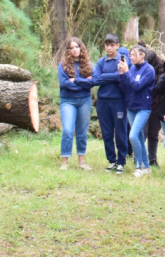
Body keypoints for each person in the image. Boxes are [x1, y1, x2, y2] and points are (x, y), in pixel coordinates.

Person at [94, 34, 131, 173]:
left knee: (120, 132)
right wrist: (113, 76)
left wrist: (105, 76)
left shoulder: (122, 59)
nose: (109, 47)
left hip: (118, 101)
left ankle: (121, 161)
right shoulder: (100, 62)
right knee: (107, 133)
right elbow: (96, 79)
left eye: (112, 45)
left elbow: (122, 75)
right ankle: (111, 161)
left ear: (117, 45)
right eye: (107, 45)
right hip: (103, 101)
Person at [56, 37, 95, 170]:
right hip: (68, 101)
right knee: (68, 129)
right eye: (71, 48)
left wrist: (75, 81)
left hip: (85, 101)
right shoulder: (63, 65)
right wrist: (83, 83)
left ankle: (82, 161)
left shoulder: (89, 64)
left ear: (81, 48)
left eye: (77, 47)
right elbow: (64, 83)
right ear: (68, 50)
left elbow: (93, 82)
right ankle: (65, 161)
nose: (75, 50)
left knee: (82, 131)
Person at [117, 46, 156, 177]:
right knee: (138, 136)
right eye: (130, 55)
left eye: (134, 55)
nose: (131, 57)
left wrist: (127, 72)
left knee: (133, 136)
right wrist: (122, 74)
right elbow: (125, 87)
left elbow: (137, 86)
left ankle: (138, 166)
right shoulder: (132, 68)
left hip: (143, 107)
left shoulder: (149, 70)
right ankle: (146, 167)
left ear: (142, 55)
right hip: (131, 106)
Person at [143, 47, 164, 168]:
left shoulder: (161, 70)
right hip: (143, 105)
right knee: (143, 132)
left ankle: (152, 158)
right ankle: (139, 156)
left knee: (153, 133)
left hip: (156, 105)